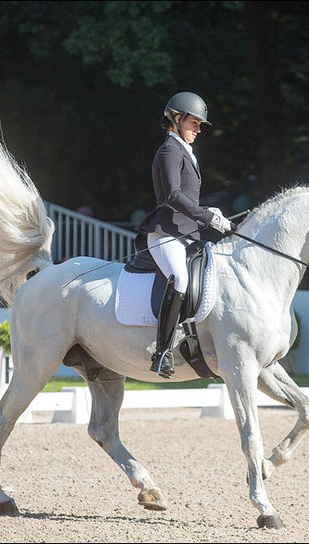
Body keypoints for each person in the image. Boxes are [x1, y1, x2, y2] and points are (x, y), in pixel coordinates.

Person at [136, 92, 233, 378]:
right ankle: (162, 352)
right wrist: (207, 216)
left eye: (201, 125)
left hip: (186, 234)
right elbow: (173, 196)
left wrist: (209, 211)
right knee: (179, 278)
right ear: (176, 119)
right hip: (165, 233)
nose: (199, 129)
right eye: (194, 123)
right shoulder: (169, 151)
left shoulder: (185, 151)